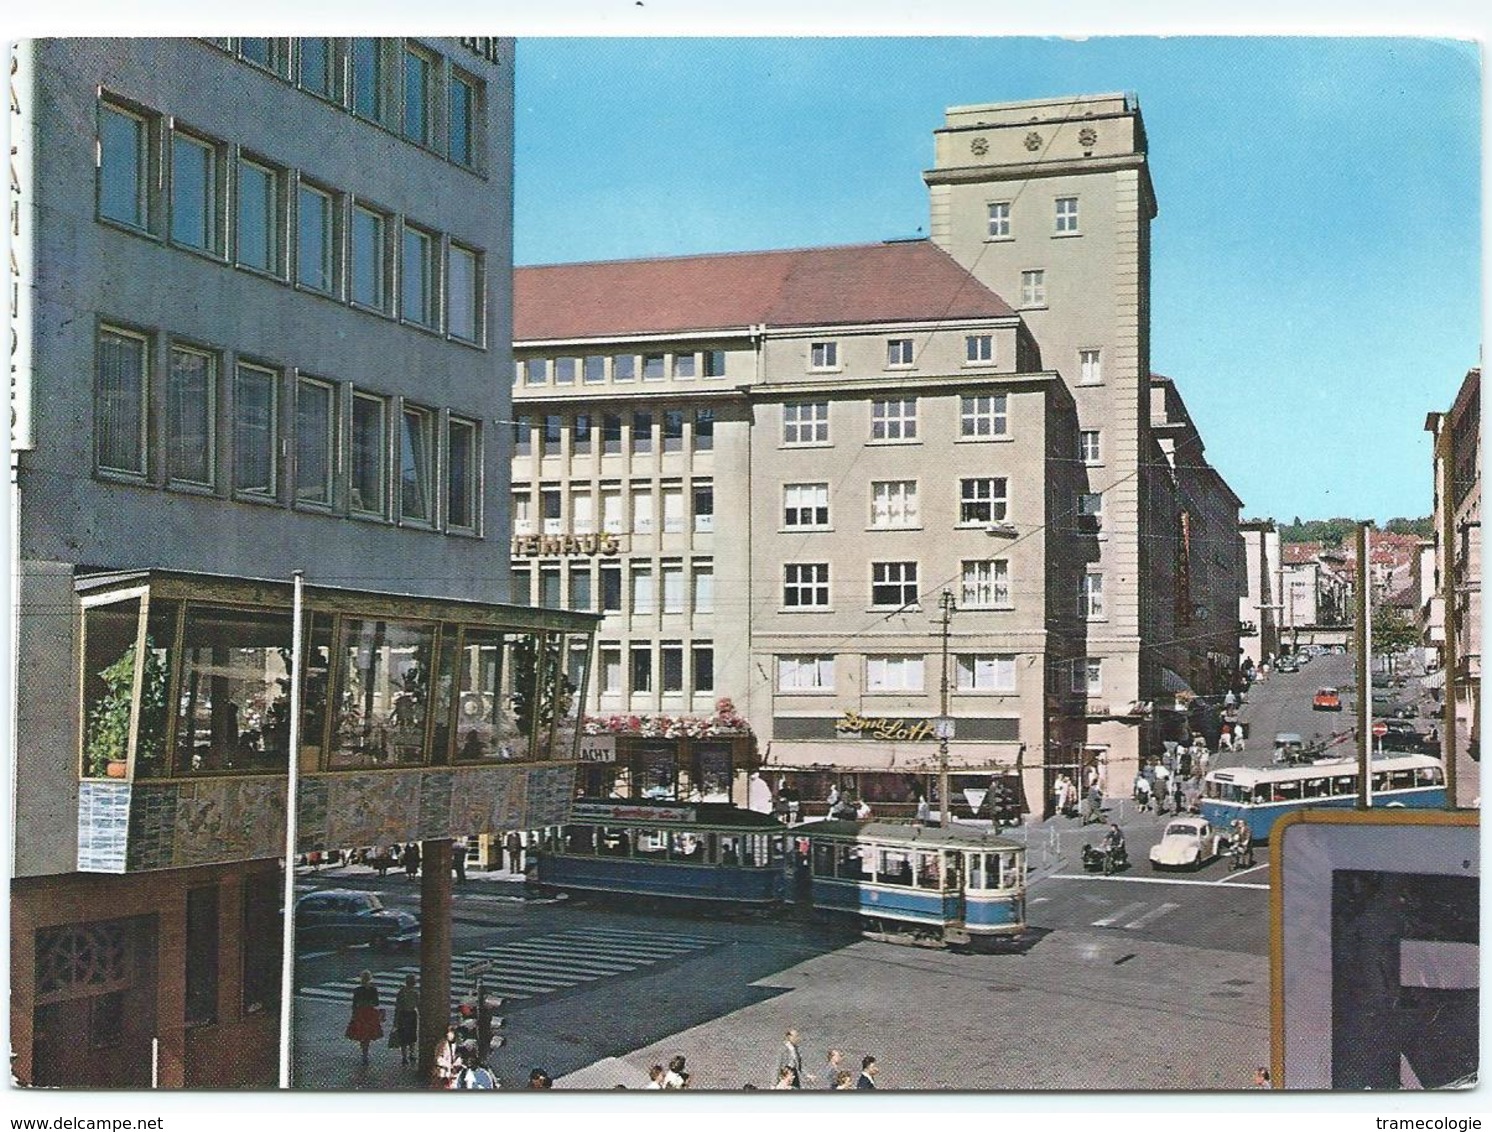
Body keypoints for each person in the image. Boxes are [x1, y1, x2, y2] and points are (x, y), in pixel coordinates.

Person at [344, 970, 383, 1065]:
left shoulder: (357, 990)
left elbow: (354, 1005)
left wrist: (353, 1015)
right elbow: (376, 1003)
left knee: (361, 1033)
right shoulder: (373, 990)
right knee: (368, 1033)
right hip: (370, 1013)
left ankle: (364, 1053)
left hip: (360, 1013)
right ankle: (365, 1052)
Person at [391, 973, 419, 1066]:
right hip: (412, 1015)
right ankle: (412, 1053)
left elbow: (398, 1007)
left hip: (403, 1015)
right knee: (412, 1036)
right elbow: (418, 1005)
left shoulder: (401, 992)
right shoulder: (415, 993)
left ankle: (404, 1056)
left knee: (403, 1036)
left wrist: (395, 1021)